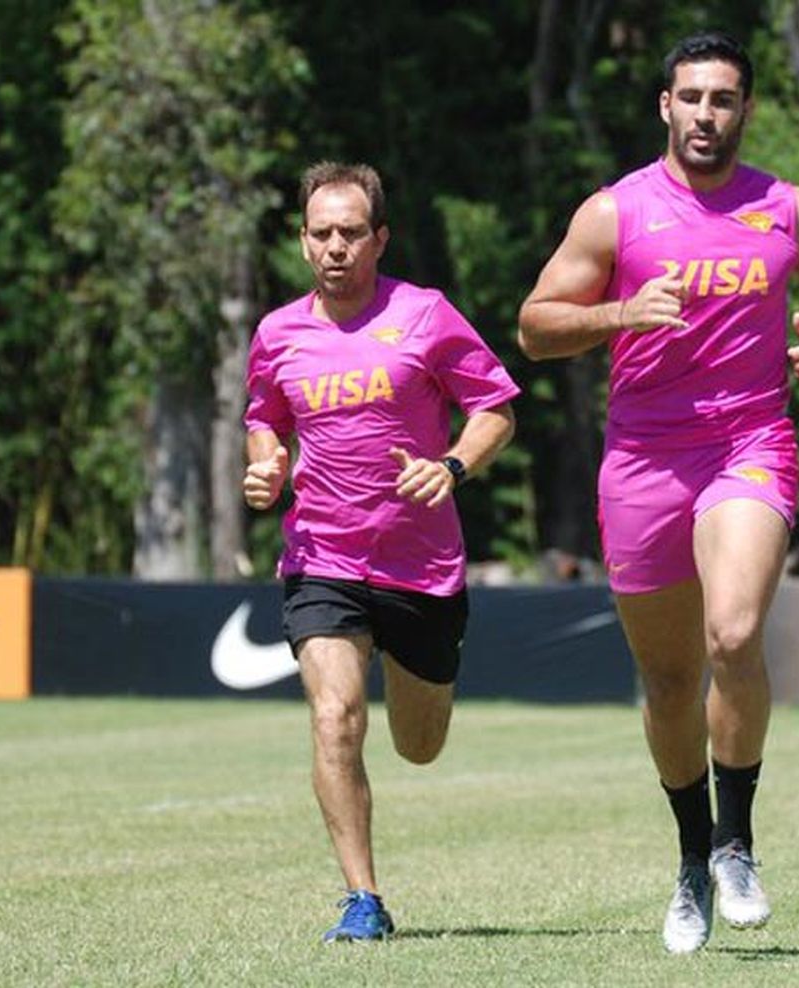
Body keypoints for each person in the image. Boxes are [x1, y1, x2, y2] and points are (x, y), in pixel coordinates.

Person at [517, 32, 799, 954]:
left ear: (745, 110)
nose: (707, 114)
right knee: (670, 679)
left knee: (735, 633)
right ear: (664, 107)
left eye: (724, 99)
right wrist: (617, 313)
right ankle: (690, 860)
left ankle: (737, 840)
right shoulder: (615, 214)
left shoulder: (789, 208)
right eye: (692, 97)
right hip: (641, 462)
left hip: (748, 443)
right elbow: (535, 326)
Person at [244, 161, 519, 943]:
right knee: (335, 719)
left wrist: (454, 464)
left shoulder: (426, 315)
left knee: (419, 745)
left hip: (423, 569)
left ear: (380, 238)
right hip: (321, 557)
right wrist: (266, 466)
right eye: (322, 234)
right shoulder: (277, 334)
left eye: (352, 233)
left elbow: (495, 408)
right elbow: (264, 418)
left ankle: (426, 691)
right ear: (303, 244)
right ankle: (363, 899)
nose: (337, 247)